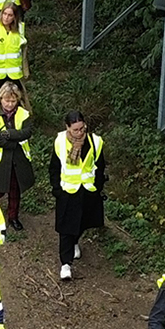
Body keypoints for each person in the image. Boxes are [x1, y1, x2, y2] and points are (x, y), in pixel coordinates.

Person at [51, 111, 103, 280]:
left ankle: (75, 242)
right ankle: (65, 264)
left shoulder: (95, 141)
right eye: (75, 130)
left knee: (83, 222)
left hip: (88, 191)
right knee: (65, 228)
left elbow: (100, 166)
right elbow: (54, 167)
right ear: (67, 128)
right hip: (67, 191)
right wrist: (56, 189)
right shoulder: (60, 142)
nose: (80, 132)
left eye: (82, 128)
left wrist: (98, 185)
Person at [0, 81, 33, 232]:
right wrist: (14, 142)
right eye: (6, 100)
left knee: (15, 191)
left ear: (17, 100)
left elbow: (27, 132)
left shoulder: (24, 114)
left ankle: (13, 217)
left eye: (13, 100)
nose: (9, 104)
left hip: (17, 160)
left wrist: (9, 134)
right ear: (0, 99)